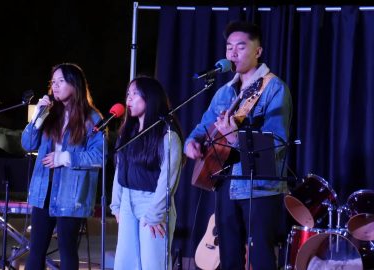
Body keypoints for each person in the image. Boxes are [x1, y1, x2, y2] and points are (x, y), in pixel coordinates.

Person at [184, 21, 292, 270]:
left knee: (262, 258)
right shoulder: (223, 92)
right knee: (229, 257)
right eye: (229, 47)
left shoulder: (273, 88)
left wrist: (235, 138)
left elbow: (276, 144)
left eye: (241, 47)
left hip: (260, 188)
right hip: (226, 185)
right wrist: (191, 143)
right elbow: (201, 129)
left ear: (258, 51)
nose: (233, 53)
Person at [21, 63, 103, 270]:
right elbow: (27, 144)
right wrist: (37, 116)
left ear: (75, 85)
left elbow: (100, 155)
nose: (55, 86)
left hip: (70, 193)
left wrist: (65, 157)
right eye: (53, 82)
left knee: (67, 250)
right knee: (36, 250)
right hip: (43, 190)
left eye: (61, 81)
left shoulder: (91, 118)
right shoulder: (49, 113)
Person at [110, 76, 184, 269]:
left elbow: (168, 179)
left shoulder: (167, 134)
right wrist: (117, 204)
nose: (129, 99)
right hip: (127, 200)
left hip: (152, 202)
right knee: (125, 263)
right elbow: (120, 169)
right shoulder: (128, 131)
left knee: (153, 263)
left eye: (135, 94)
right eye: (128, 94)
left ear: (150, 97)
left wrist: (156, 213)